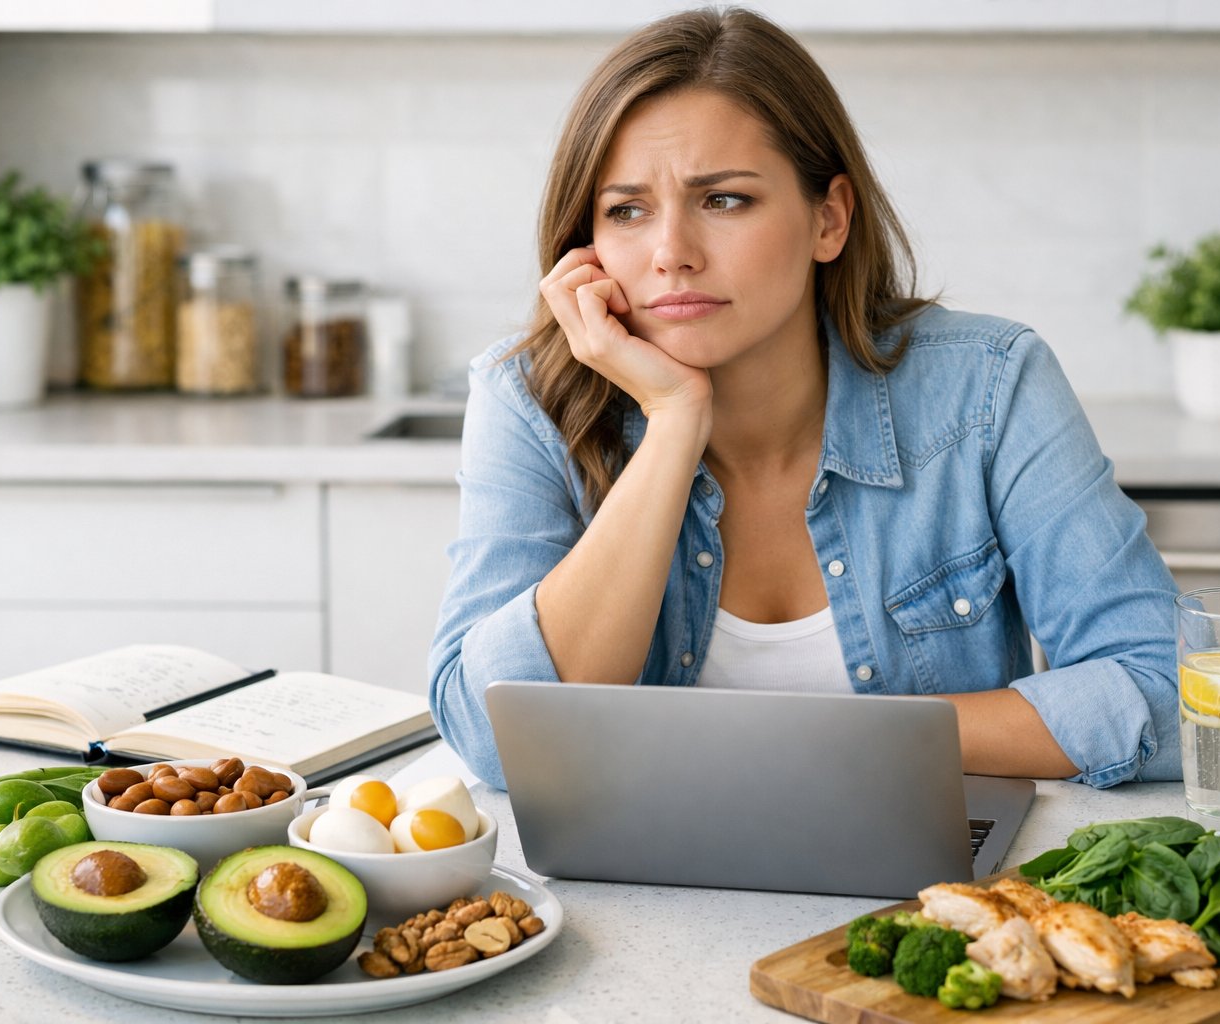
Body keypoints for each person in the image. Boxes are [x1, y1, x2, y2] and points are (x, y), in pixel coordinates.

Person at [429, 6, 1179, 791]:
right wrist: (675, 422)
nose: (671, 254)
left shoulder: (987, 386)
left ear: (829, 219)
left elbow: (1166, 691)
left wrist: (846, 740)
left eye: (723, 200)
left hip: (936, 896)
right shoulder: (529, 401)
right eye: (627, 210)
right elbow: (496, 739)